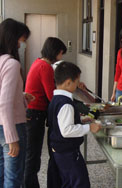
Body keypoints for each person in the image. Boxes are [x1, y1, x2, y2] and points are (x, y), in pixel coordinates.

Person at [48, 61, 101, 188]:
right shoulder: (65, 103)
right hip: (67, 152)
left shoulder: (56, 99)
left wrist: (81, 121)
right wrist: (89, 127)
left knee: (67, 181)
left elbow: (60, 123)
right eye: (77, 81)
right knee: (78, 182)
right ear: (68, 82)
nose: (78, 85)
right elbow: (66, 130)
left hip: (60, 151)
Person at [24, 37, 67, 188]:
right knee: (32, 157)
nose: (61, 57)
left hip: (32, 112)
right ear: (56, 52)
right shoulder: (45, 67)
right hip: (35, 113)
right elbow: (51, 95)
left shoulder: (38, 62)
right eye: (61, 53)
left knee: (32, 156)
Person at [0, 18, 33, 188]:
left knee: (1, 176)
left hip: (1, 126)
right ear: (14, 38)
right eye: (23, 39)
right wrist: (12, 138)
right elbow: (4, 104)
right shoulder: (11, 64)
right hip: (12, 126)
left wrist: (20, 95)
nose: (23, 44)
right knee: (13, 178)